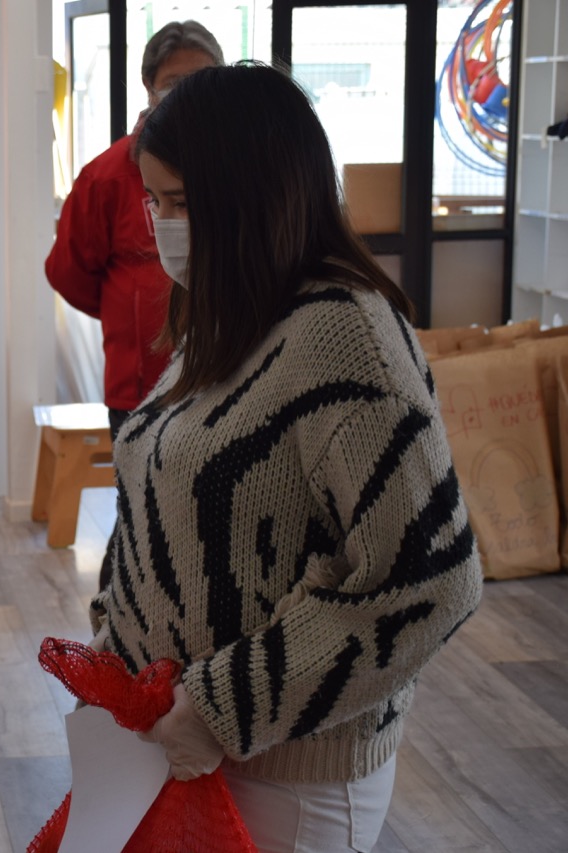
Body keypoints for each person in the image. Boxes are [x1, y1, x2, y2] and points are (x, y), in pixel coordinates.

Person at [91, 63, 484, 853]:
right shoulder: (230, 306)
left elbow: (432, 577)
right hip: (180, 743)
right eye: (153, 201)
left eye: (178, 204)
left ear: (250, 198)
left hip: (282, 772)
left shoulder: (345, 334)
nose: (158, 225)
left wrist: (218, 706)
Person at [44, 20, 223, 591]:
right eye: (174, 83)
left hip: (223, 374)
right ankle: (118, 647)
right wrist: (133, 315)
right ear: (148, 87)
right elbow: (69, 271)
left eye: (202, 80)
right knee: (140, 524)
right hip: (140, 382)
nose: (187, 93)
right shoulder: (107, 174)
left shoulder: (236, 167)